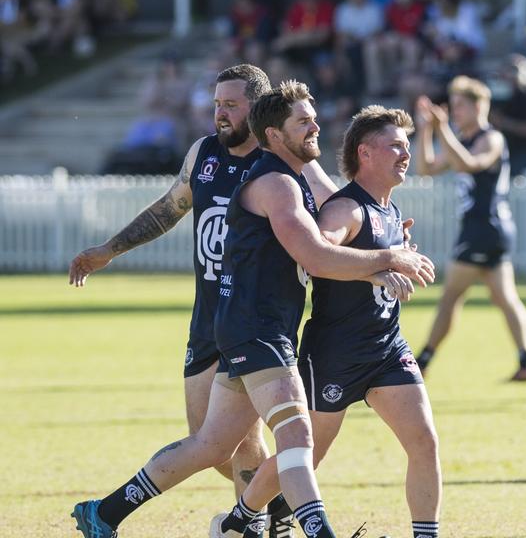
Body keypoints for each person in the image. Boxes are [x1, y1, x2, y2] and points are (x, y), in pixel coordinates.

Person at [71, 81, 435, 538]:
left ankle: (103, 513)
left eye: (313, 117)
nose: (315, 127)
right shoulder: (277, 185)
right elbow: (316, 256)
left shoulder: (293, 177)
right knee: (296, 437)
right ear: (276, 134)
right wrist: (387, 259)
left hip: (254, 326)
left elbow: (338, 228)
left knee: (210, 444)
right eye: (303, 121)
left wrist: (381, 246)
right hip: (257, 330)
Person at [68, 64, 301, 534]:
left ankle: (255, 518)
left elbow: (327, 212)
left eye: (231, 105)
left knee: (220, 442)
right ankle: (272, 509)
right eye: (216, 104)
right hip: (209, 319)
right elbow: (168, 209)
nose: (219, 114)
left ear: (256, 109)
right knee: (214, 442)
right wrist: (109, 250)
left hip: (257, 320)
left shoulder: (279, 161)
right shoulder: (204, 154)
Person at [211, 106, 442, 538]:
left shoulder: (389, 211)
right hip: (334, 355)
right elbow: (318, 256)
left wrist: (393, 256)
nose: (405, 153)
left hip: (387, 348)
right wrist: (383, 263)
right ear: (365, 153)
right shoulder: (345, 210)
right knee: (302, 457)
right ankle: (240, 518)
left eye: (407, 145)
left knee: (424, 441)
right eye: (395, 145)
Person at [414, 77, 526, 381]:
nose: (454, 112)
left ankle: (423, 360)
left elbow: (471, 163)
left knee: (451, 297)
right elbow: (426, 169)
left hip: (483, 227)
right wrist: (427, 129)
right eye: (452, 106)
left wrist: (442, 129)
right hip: (488, 229)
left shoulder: (490, 138)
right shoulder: (460, 138)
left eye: (460, 105)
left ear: (480, 105)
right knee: (505, 298)